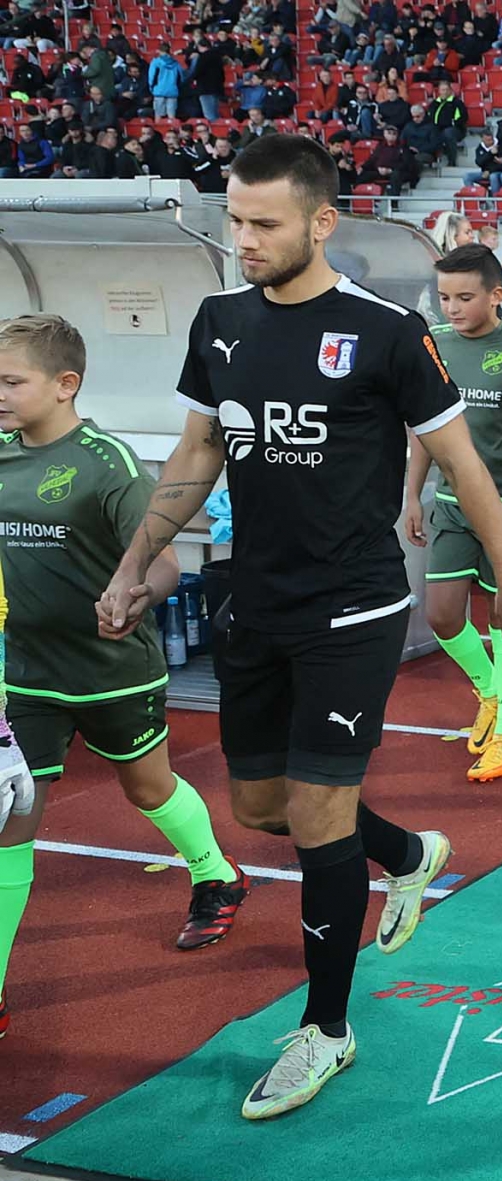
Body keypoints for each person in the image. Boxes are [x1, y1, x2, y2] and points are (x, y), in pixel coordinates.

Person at [98, 134, 502, 1120]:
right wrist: (137, 563)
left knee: (313, 815)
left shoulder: (385, 330)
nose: (244, 239)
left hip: (354, 608)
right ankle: (404, 854)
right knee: (261, 807)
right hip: (250, 598)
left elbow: (465, 462)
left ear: (320, 221)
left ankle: (327, 1027)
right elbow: (197, 451)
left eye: (263, 223)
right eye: (234, 221)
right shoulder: (218, 322)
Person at [0, 313, 249, 994]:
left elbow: (164, 562)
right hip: (23, 675)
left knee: (147, 787)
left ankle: (216, 873)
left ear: (64, 385)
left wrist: (138, 592)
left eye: (10, 381)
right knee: (12, 820)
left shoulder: (105, 462)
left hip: (112, 671)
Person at [404, 246, 502, 780]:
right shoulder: (434, 345)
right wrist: (412, 495)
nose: (452, 308)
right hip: (449, 504)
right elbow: (424, 428)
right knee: (441, 613)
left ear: (496, 294)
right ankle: (489, 691)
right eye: (444, 297)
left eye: (465, 297)